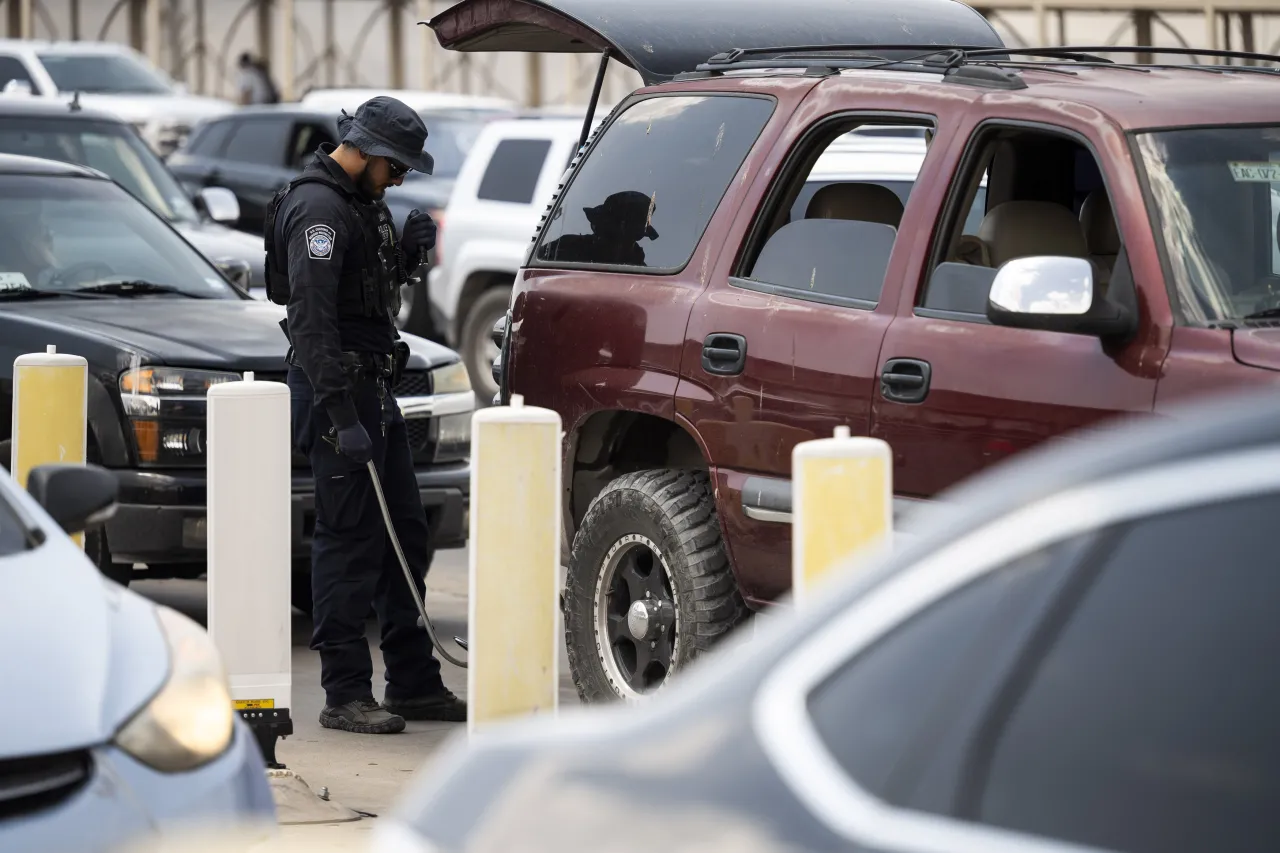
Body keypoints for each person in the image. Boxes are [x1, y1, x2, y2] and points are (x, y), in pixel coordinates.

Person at [266, 96, 462, 733]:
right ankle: (345, 692)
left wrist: (408, 258)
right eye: (397, 166)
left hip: (374, 392)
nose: (402, 178)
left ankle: (413, 683)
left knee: (404, 535)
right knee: (348, 543)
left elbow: (366, 299)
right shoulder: (318, 209)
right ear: (369, 152)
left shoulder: (360, 201)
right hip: (341, 396)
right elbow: (312, 321)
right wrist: (337, 412)